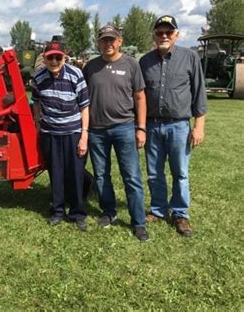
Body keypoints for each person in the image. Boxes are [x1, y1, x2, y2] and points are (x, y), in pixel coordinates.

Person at [139, 15, 207, 237]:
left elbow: (199, 92)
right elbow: (138, 97)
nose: (164, 36)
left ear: (176, 34)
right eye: (160, 32)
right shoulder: (144, 61)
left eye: (169, 32)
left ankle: (180, 214)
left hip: (179, 126)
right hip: (152, 126)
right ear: (154, 35)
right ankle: (158, 211)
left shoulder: (190, 57)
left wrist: (199, 126)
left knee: (180, 173)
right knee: (154, 172)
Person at [83, 24, 149, 241]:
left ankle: (138, 222)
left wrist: (141, 128)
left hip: (124, 128)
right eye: (104, 40)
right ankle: (108, 212)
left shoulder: (131, 64)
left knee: (131, 176)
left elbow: (140, 97)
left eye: (112, 39)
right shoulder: (90, 67)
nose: (108, 43)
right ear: (99, 42)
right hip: (96, 131)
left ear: (120, 40)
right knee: (101, 176)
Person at [31, 41, 90, 231]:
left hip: (73, 132)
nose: (54, 61)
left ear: (64, 57)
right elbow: (37, 102)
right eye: (51, 57)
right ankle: (57, 211)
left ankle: (77, 212)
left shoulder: (76, 75)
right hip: (50, 133)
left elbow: (84, 107)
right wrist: (38, 124)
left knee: (75, 173)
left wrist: (84, 135)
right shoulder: (38, 77)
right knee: (55, 172)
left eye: (58, 57)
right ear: (45, 58)